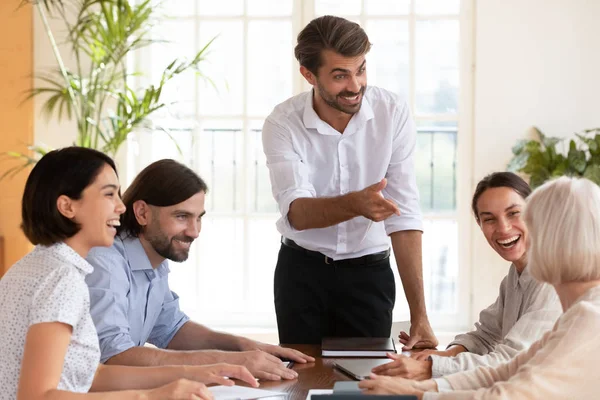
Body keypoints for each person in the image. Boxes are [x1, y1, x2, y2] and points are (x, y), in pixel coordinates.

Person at [0, 147, 258, 400]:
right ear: (67, 206)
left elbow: (91, 375)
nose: (122, 207)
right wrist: (150, 396)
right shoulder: (62, 279)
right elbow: (36, 396)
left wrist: (198, 372)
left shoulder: (37, 266)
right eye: (109, 195)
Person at [261, 15, 437, 346]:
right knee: (301, 379)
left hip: (369, 275)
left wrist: (420, 317)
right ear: (309, 74)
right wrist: (356, 204)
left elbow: (405, 216)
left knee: (365, 386)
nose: (355, 86)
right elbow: (297, 213)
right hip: (301, 273)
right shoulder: (282, 123)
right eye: (340, 76)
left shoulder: (392, 113)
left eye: (360, 70)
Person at [360, 176, 600, 399]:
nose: (507, 229)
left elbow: (508, 394)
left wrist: (420, 392)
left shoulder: (590, 318)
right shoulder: (577, 313)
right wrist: (421, 385)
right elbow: (505, 370)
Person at [85, 159, 314, 381]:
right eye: (182, 216)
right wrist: (228, 362)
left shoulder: (153, 254)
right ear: (142, 213)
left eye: (198, 218)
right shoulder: (105, 260)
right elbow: (114, 356)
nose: (194, 232)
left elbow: (171, 329)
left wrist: (243, 346)